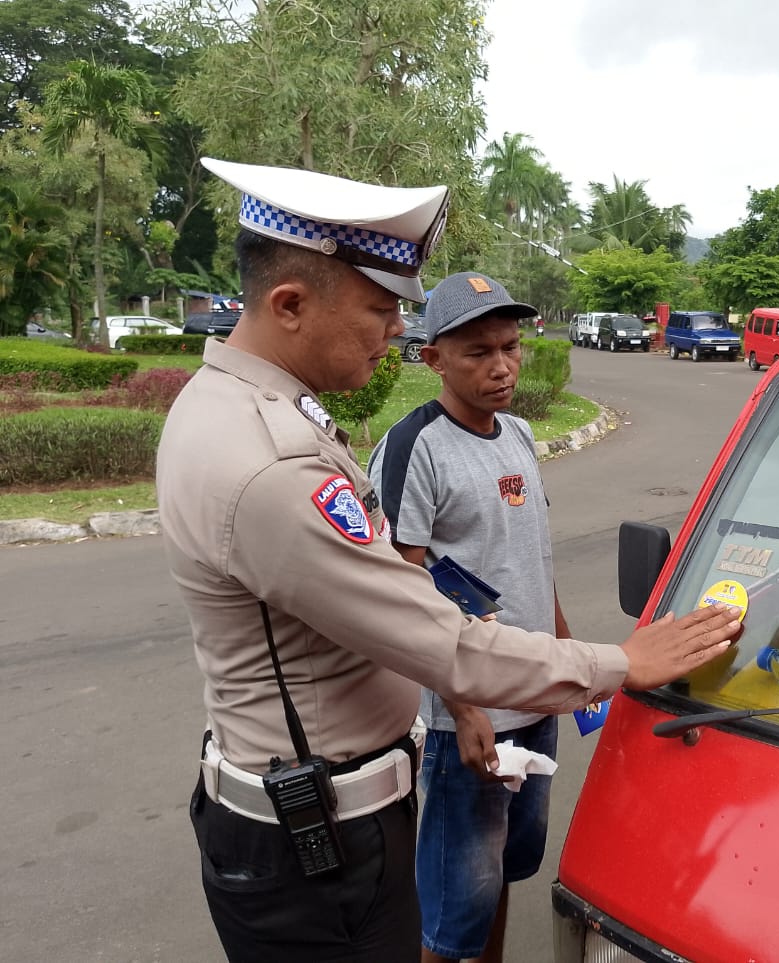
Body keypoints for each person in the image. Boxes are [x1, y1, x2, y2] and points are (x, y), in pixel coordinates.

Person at [155, 157, 742, 963]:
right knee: (454, 910)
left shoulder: (237, 407)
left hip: (321, 813)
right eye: (379, 308)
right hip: (320, 849)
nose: (396, 329)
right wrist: (620, 662)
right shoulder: (272, 461)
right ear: (290, 304)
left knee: (495, 881)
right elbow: (438, 634)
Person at [367, 272, 564, 963]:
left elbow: (532, 557)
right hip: (469, 721)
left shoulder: (520, 434)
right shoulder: (414, 446)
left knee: (503, 872)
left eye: (510, 347)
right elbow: (401, 588)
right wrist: (464, 705)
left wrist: (567, 659)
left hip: (535, 699)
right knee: (453, 913)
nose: (501, 366)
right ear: (434, 358)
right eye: (479, 352)